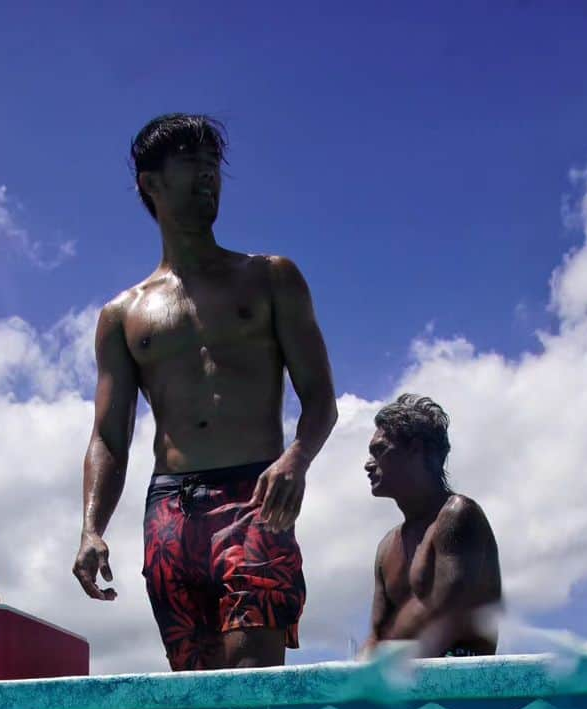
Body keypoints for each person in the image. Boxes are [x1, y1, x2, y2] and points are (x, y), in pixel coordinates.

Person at [72, 113, 337, 671]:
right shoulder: (123, 315)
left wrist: (297, 458)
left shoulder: (270, 278)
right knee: (197, 695)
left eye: (213, 167)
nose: (207, 178)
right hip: (169, 509)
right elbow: (109, 436)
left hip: (255, 499)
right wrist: (92, 527)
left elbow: (320, 399)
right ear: (151, 183)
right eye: (191, 165)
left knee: (251, 688)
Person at [362, 395, 501, 658]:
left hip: (458, 691)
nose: (368, 464)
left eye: (380, 450)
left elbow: (443, 622)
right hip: (404, 687)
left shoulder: (458, 515)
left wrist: (378, 660)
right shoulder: (387, 546)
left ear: (415, 449)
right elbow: (376, 636)